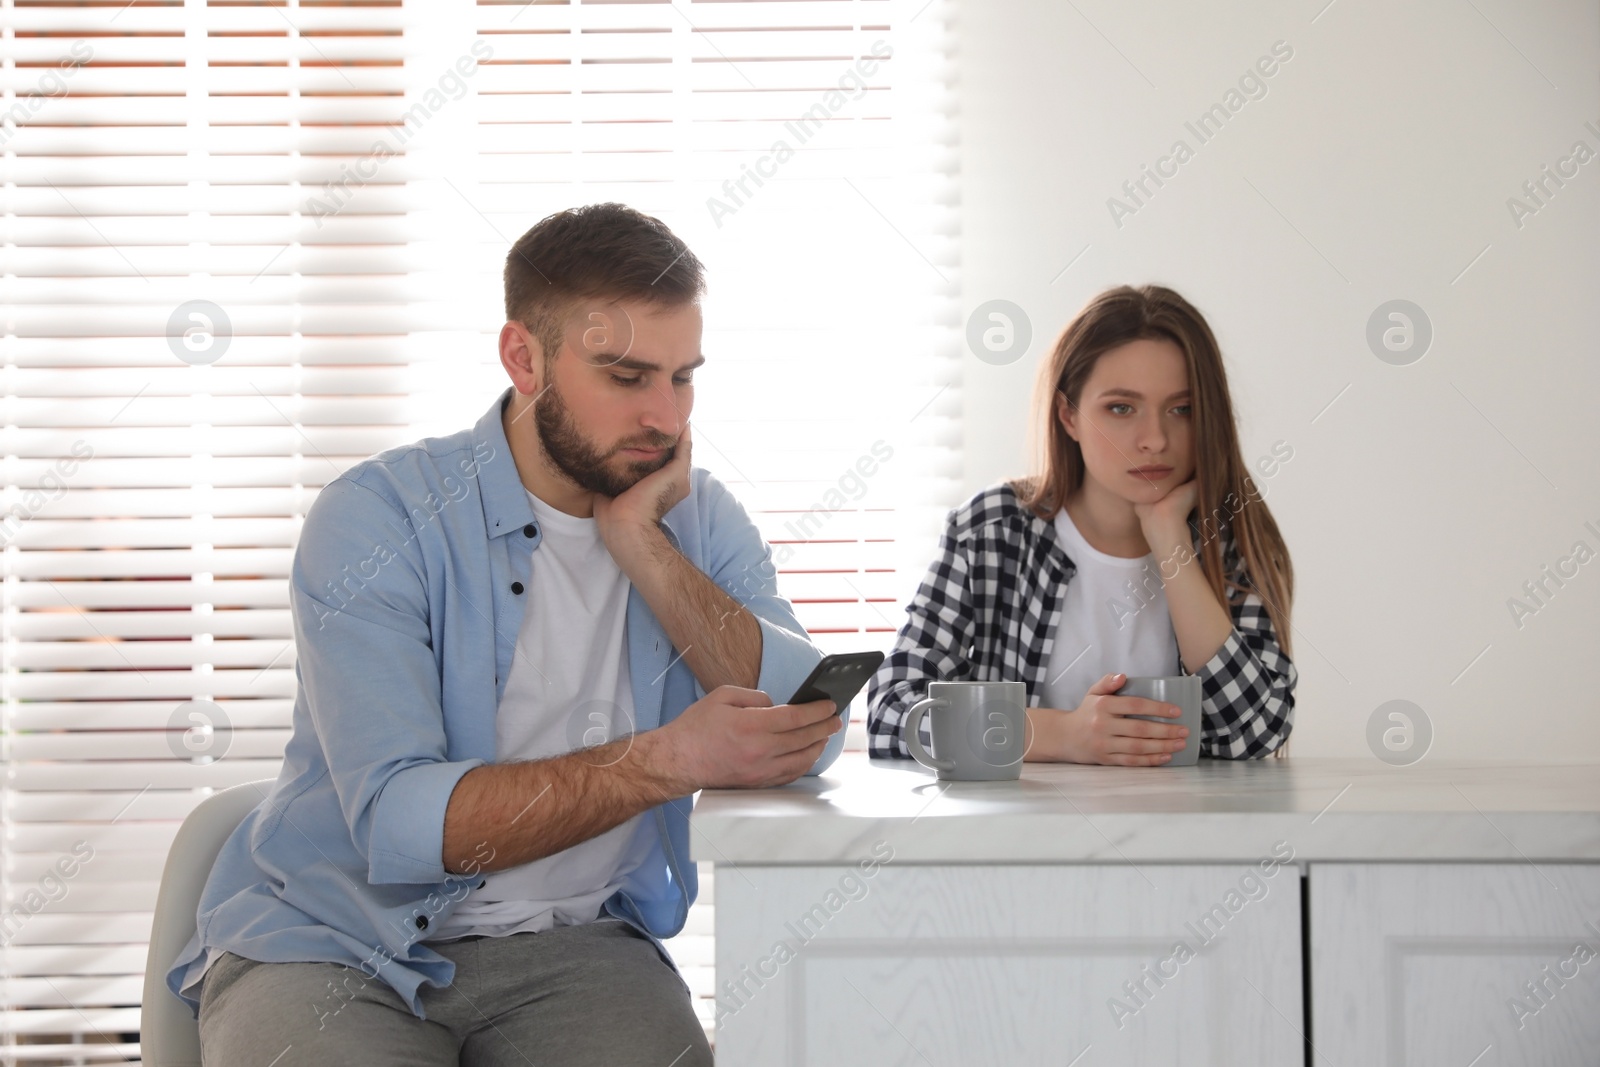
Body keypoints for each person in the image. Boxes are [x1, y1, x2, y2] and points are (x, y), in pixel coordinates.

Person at [165, 203, 846, 1065]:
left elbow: (806, 730)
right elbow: (400, 826)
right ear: (524, 357)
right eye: (627, 376)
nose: (667, 419)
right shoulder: (378, 516)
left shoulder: (696, 517)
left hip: (577, 947)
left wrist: (643, 547)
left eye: (683, 377)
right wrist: (669, 759)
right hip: (333, 946)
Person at [867, 284, 1296, 765]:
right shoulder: (991, 531)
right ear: (1068, 415)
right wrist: (1060, 735)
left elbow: (1256, 732)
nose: (1155, 439)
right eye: (1121, 408)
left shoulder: (1232, 536)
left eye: (1182, 409)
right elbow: (891, 716)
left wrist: (1169, 537)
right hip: (1018, 835)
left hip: (1183, 833)